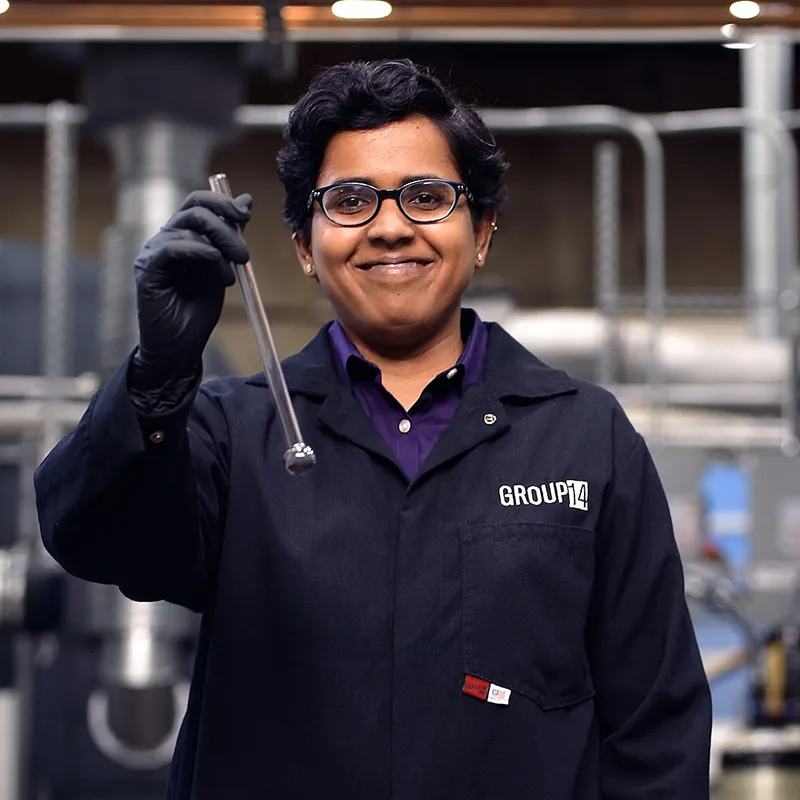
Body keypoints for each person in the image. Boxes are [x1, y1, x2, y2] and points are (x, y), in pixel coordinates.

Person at [34, 59, 712, 799]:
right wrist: (156, 376)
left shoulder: (586, 438)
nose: (390, 228)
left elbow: (655, 730)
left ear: (481, 231)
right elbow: (94, 537)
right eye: (351, 201)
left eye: (426, 197)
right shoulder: (232, 431)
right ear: (304, 247)